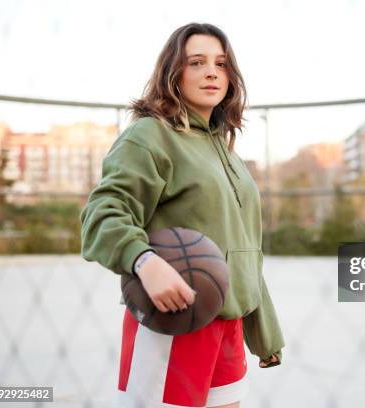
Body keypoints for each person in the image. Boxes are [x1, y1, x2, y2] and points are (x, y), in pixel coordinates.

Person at [79, 22, 284, 408]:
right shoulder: (149, 136)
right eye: (197, 62)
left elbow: (244, 250)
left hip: (227, 327)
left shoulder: (227, 152)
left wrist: (263, 333)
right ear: (173, 73)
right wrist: (144, 261)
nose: (211, 72)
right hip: (175, 322)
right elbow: (102, 214)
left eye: (221, 64)